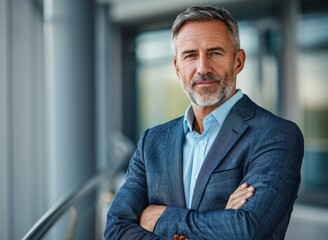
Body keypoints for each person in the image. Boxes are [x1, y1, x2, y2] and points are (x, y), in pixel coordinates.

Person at [104, 5, 304, 240]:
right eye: (190, 55)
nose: (203, 68)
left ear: (238, 61)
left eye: (215, 53)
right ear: (177, 67)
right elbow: (116, 230)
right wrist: (219, 221)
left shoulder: (276, 135)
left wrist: (160, 217)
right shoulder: (152, 142)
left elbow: (245, 230)